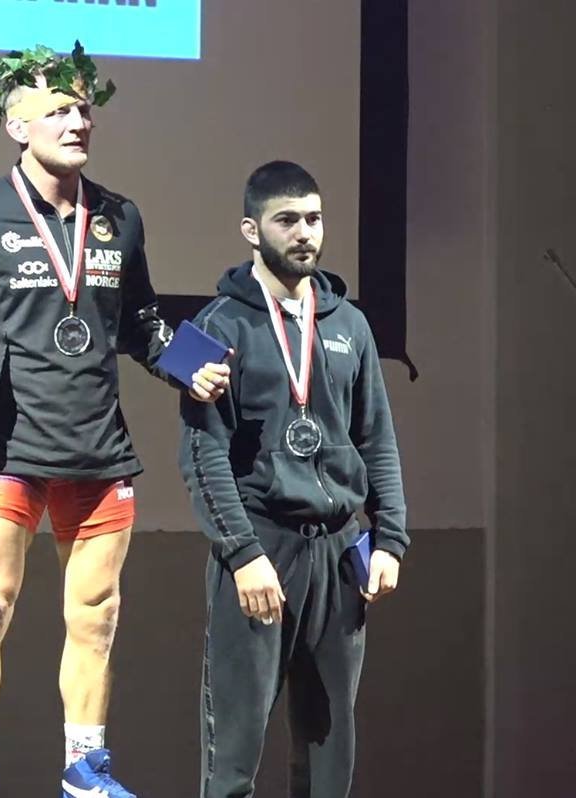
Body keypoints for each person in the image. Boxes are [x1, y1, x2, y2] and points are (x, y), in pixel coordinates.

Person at [0, 43, 230, 798]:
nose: (78, 121)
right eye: (58, 110)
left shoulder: (120, 216)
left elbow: (142, 320)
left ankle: (85, 767)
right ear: (17, 126)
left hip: (99, 450)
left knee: (97, 614)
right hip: (9, 449)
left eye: (84, 108)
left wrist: (189, 364)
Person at [178, 161, 409, 798]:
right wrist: (242, 554)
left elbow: (377, 438)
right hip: (261, 550)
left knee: (329, 750)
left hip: (338, 554)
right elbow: (201, 456)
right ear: (251, 230)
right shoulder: (212, 327)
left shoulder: (351, 324)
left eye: (313, 218)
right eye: (287, 220)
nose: (305, 232)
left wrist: (390, 538)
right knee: (234, 752)